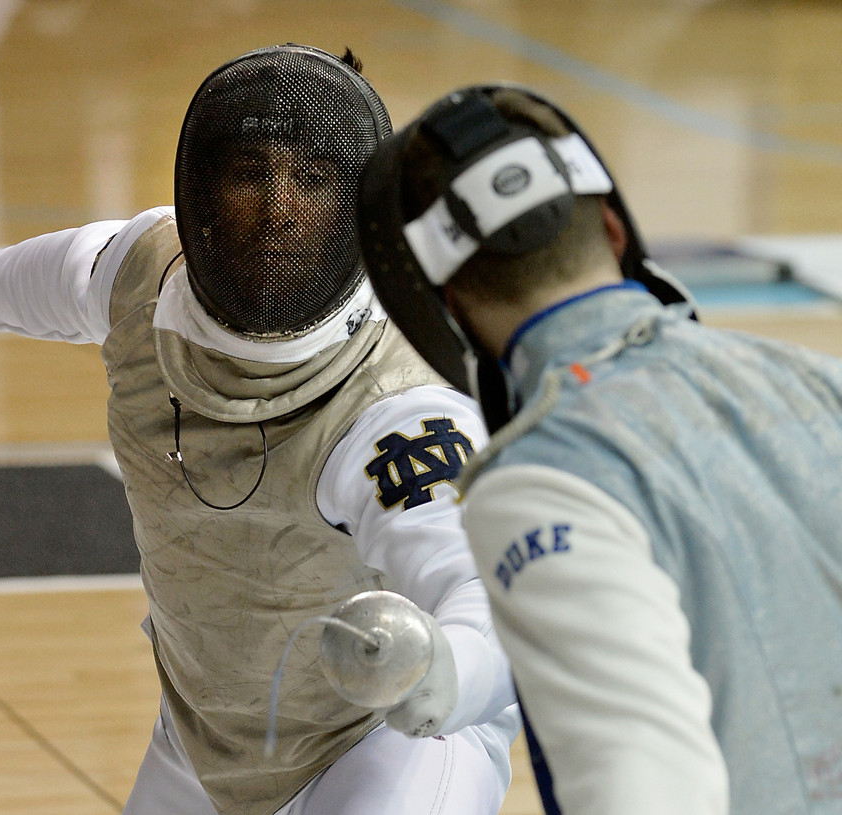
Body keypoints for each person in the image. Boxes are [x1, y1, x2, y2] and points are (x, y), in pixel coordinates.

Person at [0, 45, 522, 815]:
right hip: (208, 734)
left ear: (357, 208)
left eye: (311, 181)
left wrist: (440, 671)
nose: (278, 206)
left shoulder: (398, 408)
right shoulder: (146, 272)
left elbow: (487, 589)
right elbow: (61, 276)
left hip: (391, 739)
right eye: (250, 174)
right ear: (204, 193)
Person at [355, 82, 842, 815]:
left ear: (447, 304)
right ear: (614, 229)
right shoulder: (817, 381)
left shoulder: (539, 484)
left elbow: (640, 782)